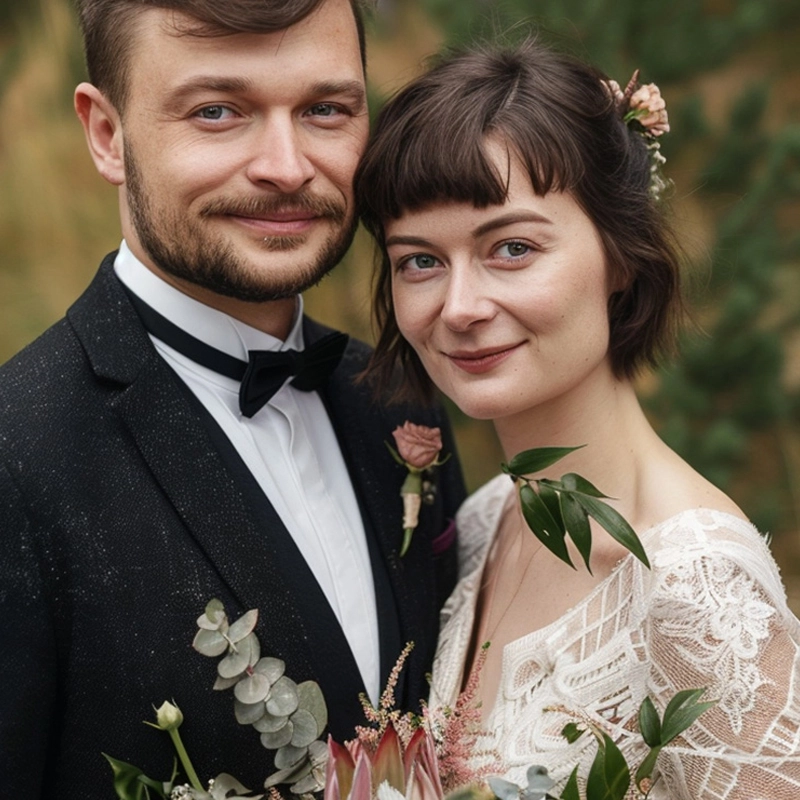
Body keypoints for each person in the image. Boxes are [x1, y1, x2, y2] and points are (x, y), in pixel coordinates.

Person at [0, 1, 466, 797]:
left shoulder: (402, 401)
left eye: (325, 110)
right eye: (218, 111)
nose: (286, 166)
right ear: (106, 133)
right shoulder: (18, 457)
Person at [355, 40, 800, 798]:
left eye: (513, 248)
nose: (459, 307)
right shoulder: (486, 519)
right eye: (419, 261)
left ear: (619, 256)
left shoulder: (692, 584)